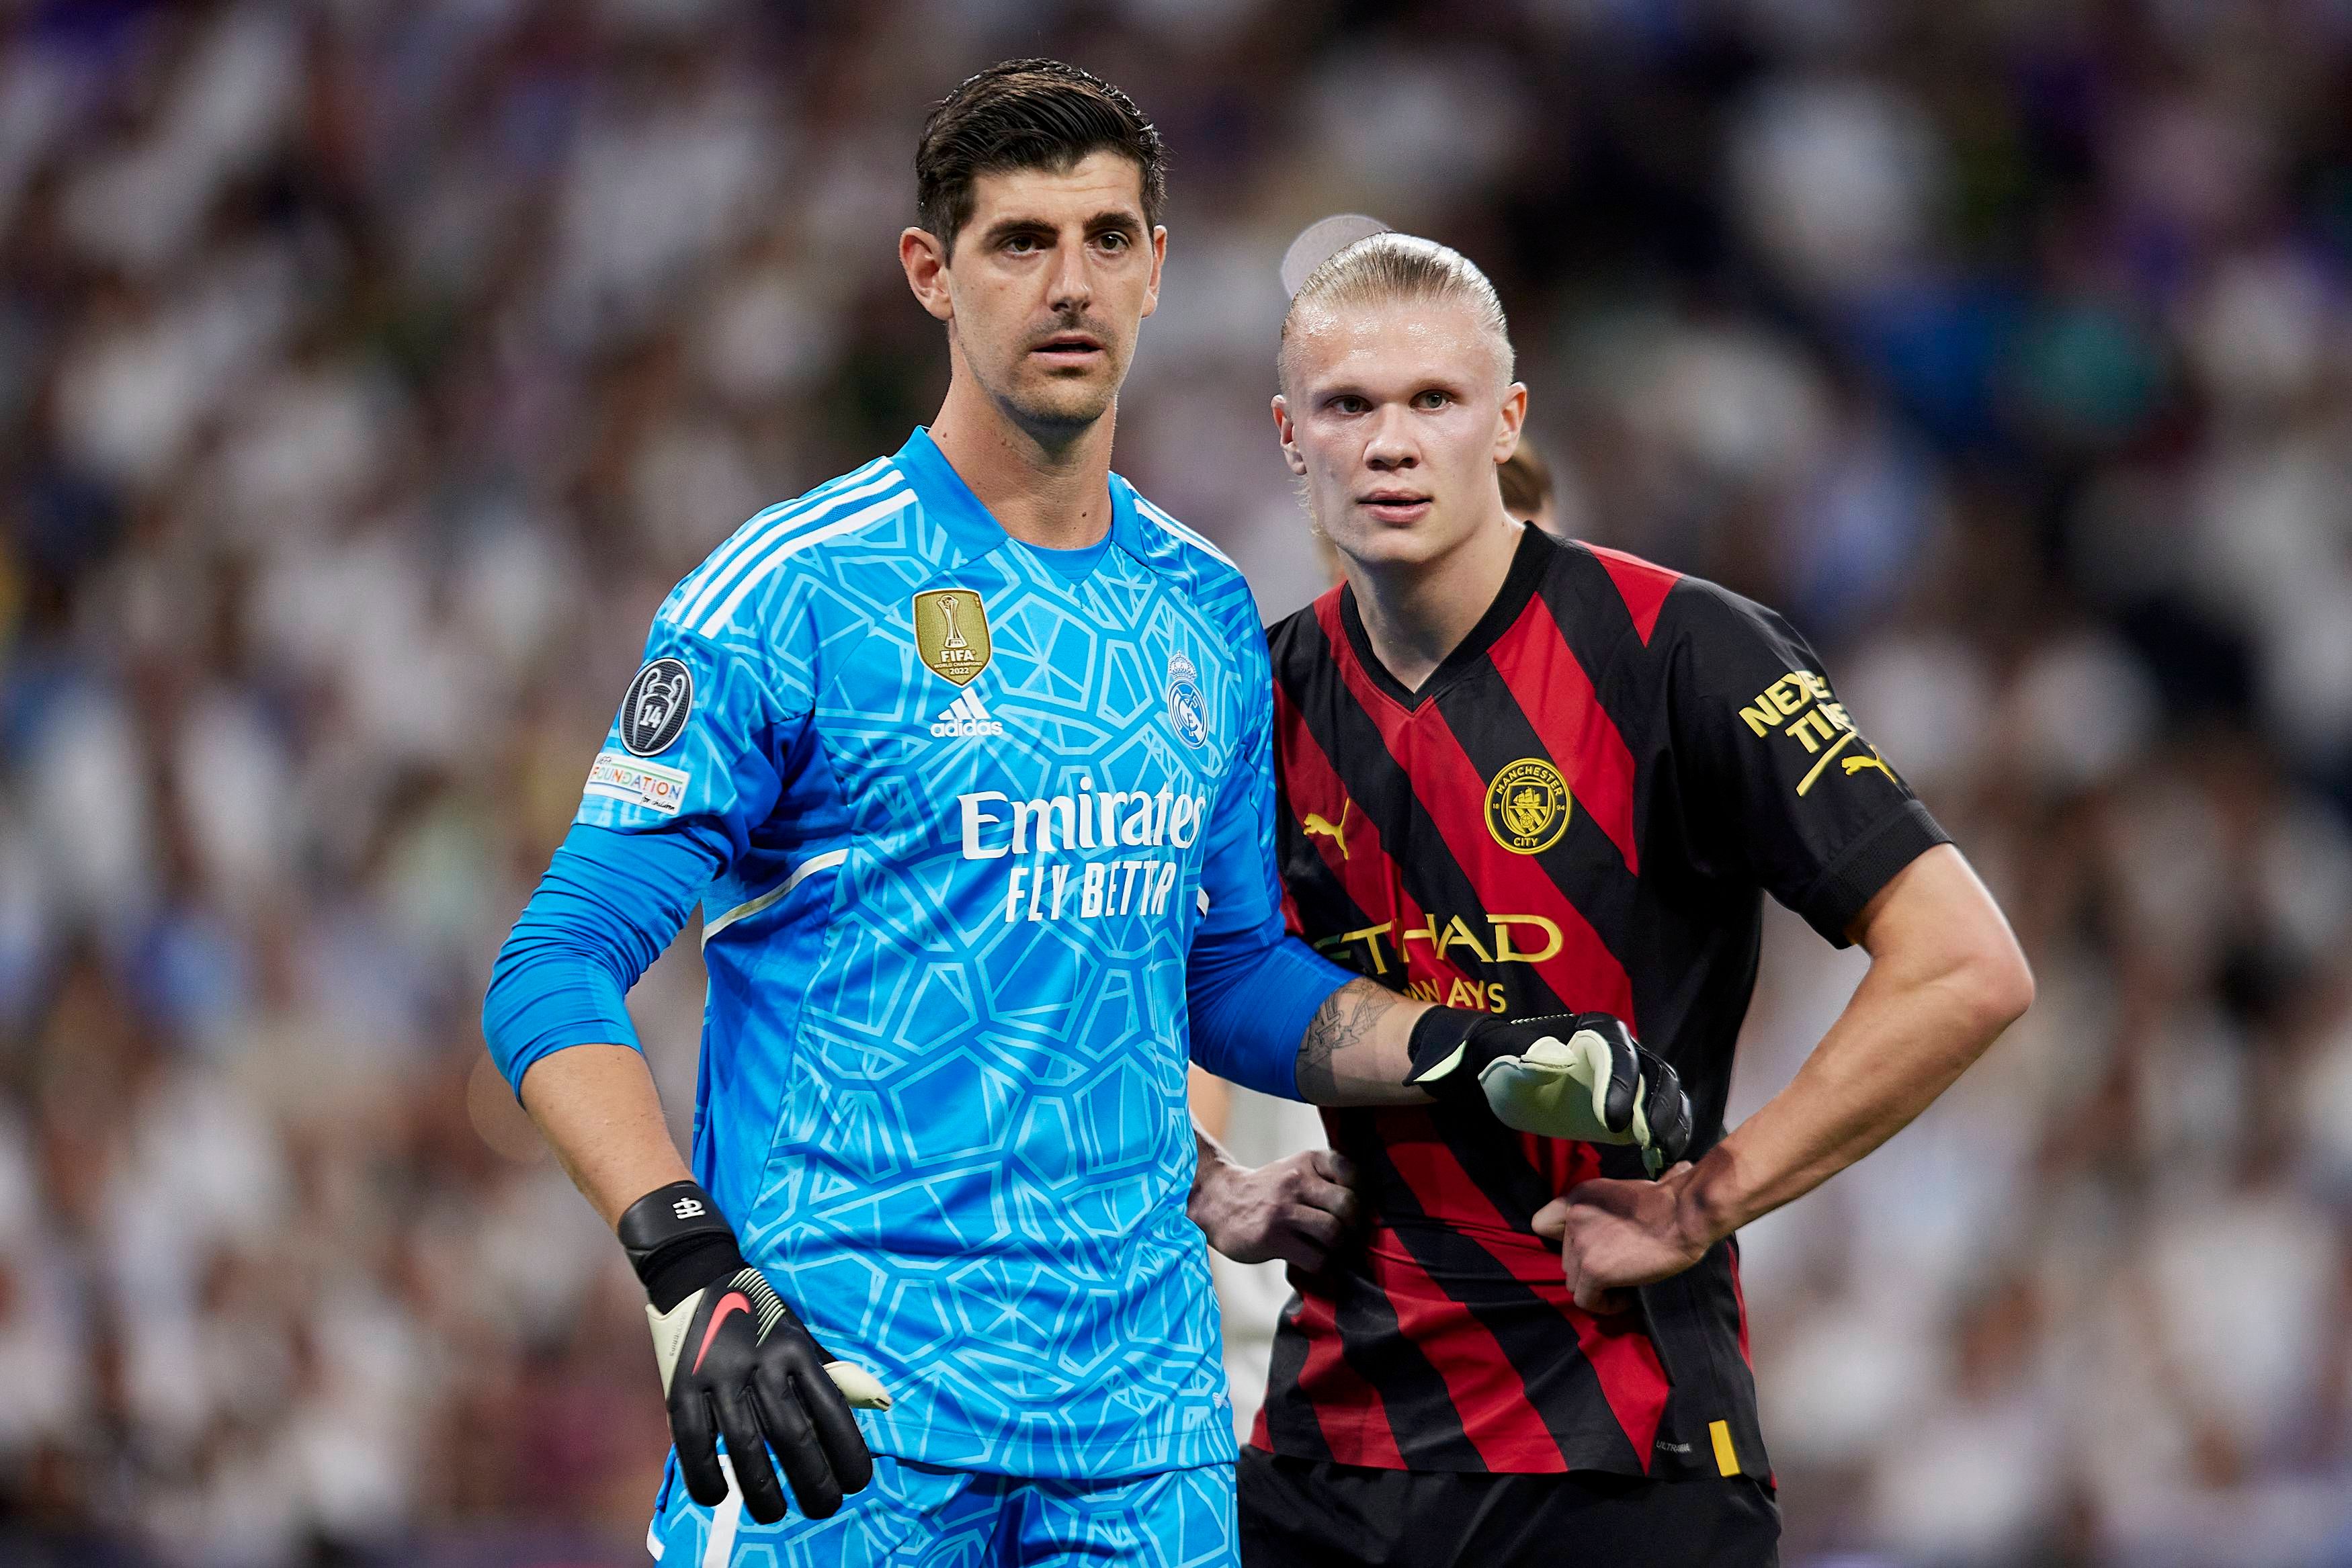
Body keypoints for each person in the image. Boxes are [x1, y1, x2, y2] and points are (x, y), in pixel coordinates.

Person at [480, 66, 1689, 1567]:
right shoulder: (791, 592)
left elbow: (1229, 975)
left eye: (1108, 239)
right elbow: (553, 965)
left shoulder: (1201, 608)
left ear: (1157, 268)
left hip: (1142, 1435)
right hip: (848, 1410)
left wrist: (1466, 1051)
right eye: (1020, 242)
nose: (1071, 285)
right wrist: (687, 1266)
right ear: (930, 272)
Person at [1235, 233, 2035, 1565]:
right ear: (1287, 435)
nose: (1390, 444)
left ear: (1508, 421)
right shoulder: (1250, 702)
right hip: (1332, 1457)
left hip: (1625, 1449)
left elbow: (1965, 963)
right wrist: (1208, 1183)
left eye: (1434, 400)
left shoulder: (1683, 650)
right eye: (1348, 405)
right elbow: (1119, 982)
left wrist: (1708, 1200)